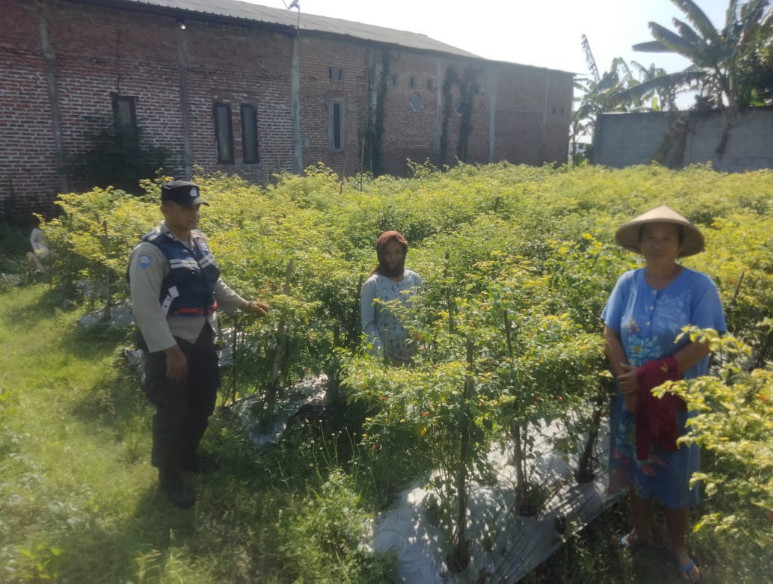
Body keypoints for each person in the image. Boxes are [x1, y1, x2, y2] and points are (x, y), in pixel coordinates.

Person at [601, 205, 726, 583]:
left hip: (677, 404)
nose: (657, 244)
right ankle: (641, 531)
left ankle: (677, 547)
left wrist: (650, 375)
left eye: (666, 237)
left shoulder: (699, 286)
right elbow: (611, 332)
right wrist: (626, 376)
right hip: (632, 400)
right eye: (650, 237)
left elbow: (706, 340)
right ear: (639, 243)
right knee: (637, 464)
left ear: (680, 243)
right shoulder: (628, 282)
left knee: (676, 472)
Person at [128, 180, 269, 508]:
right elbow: (146, 308)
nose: (195, 213)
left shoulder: (198, 242)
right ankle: (169, 476)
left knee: (202, 403)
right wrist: (170, 352)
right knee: (171, 410)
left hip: (203, 335)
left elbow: (213, 280)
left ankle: (188, 455)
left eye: (197, 207)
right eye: (187, 208)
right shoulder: (150, 252)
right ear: (166, 209)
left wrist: (243, 304)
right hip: (172, 343)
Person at [360, 231, 423, 366]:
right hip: (386, 358)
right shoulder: (373, 284)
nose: (393, 257)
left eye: (397, 252)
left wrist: (422, 347)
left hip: (414, 357)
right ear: (380, 255)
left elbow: (420, 315)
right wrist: (380, 355)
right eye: (387, 253)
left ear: (403, 253)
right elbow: (368, 324)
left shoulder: (414, 279)